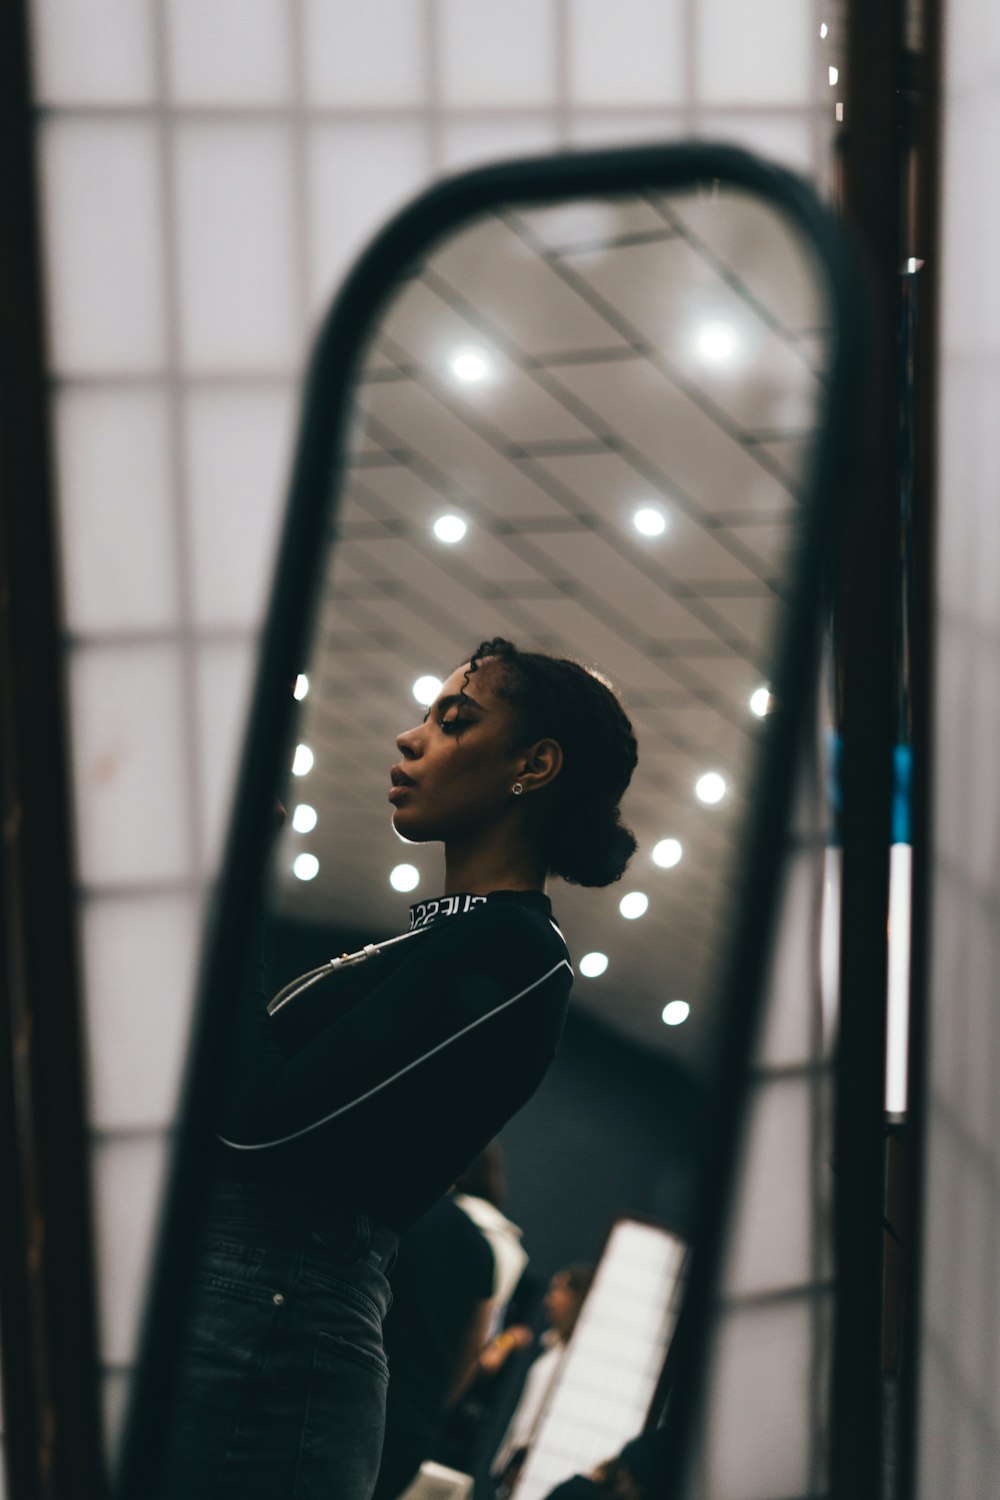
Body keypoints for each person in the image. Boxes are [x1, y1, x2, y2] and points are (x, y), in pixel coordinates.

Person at [163, 637, 638, 1500]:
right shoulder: (445, 940)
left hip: (265, 1333)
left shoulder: (515, 948)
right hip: (238, 1311)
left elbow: (260, 1126)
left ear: (533, 766)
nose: (408, 740)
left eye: (452, 722)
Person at [373, 1192, 496, 1499]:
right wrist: (434, 1409)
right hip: (414, 1425)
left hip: (359, 1397)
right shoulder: (482, 1250)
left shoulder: (397, 1210)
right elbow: (475, 1347)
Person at [490, 1263, 595, 1495]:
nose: (548, 1300)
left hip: (534, 1464)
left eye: (556, 1290)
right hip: (518, 1461)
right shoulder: (553, 1345)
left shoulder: (575, 1359)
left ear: (576, 1299)